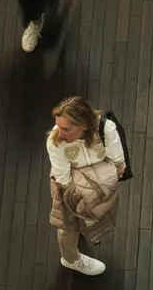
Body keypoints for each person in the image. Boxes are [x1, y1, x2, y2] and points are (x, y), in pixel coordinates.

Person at [46, 97, 126, 277]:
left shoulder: (105, 128)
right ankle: (70, 259)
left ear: (83, 125)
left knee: (96, 214)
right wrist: (100, 179)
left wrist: (98, 180)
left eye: (66, 129)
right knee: (67, 227)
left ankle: (86, 228)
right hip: (71, 188)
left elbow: (118, 166)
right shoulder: (55, 141)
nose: (60, 134)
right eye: (58, 126)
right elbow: (64, 180)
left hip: (93, 186)